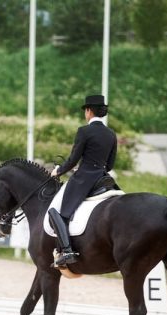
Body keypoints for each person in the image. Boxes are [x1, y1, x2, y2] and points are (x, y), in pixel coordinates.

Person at [48, 94, 118, 268]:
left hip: (84, 178)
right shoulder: (111, 134)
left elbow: (73, 159)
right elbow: (109, 164)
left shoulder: (84, 131)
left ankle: (67, 251)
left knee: (57, 211)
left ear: (88, 111)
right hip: (103, 178)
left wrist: (58, 171)